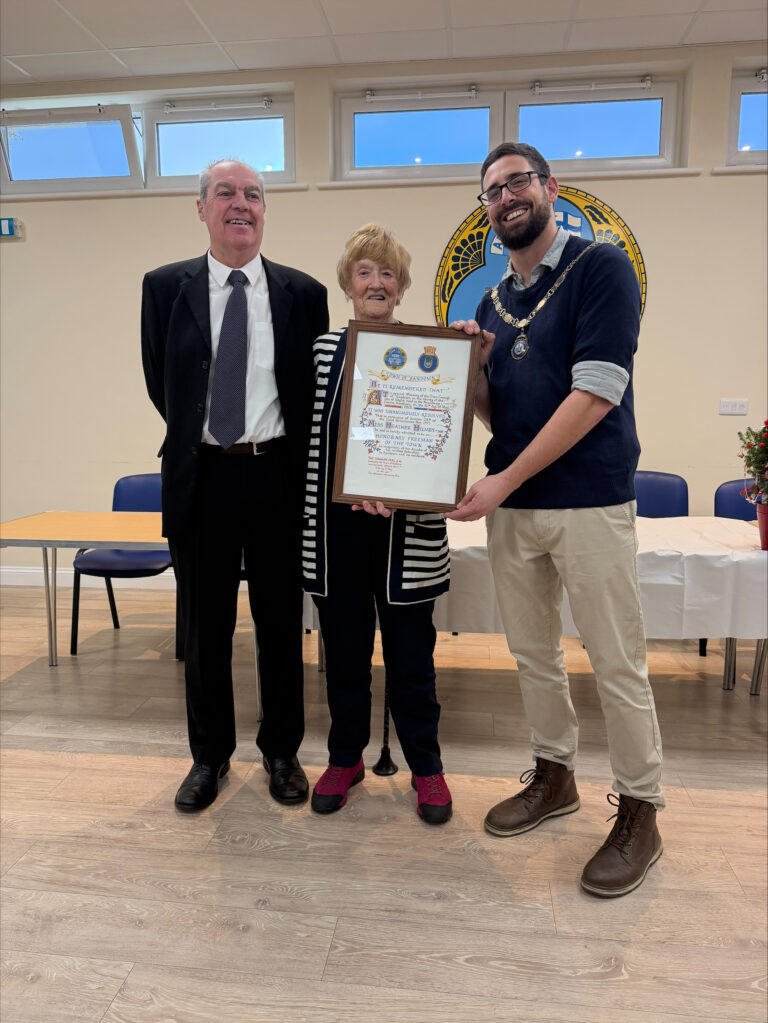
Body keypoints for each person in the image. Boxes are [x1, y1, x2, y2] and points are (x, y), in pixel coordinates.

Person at [448, 142, 663, 896]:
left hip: (592, 500)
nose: (505, 198)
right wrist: (473, 372)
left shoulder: (601, 268)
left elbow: (596, 392)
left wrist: (500, 478)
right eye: (491, 192)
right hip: (518, 510)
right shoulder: (487, 303)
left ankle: (641, 808)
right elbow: (489, 412)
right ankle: (555, 774)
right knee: (534, 655)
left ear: (550, 188)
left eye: (516, 183)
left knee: (616, 661)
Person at [142, 159, 328, 812]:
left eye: (253, 194)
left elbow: (309, 393)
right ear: (202, 209)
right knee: (205, 627)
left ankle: (281, 752)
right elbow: (160, 380)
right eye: (226, 193)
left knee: (281, 623)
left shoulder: (303, 294)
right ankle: (209, 756)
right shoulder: (165, 287)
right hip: (203, 476)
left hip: (277, 474)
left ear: (264, 210)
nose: (240, 204)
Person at [302, 224, 452, 824]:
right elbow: (314, 442)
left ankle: (427, 768)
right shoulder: (320, 352)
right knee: (344, 657)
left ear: (401, 286)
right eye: (365, 271)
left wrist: (402, 487)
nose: (377, 282)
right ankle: (345, 758)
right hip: (339, 533)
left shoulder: (434, 350)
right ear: (348, 282)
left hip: (407, 533)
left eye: (388, 273)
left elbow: (439, 437)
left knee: (414, 660)